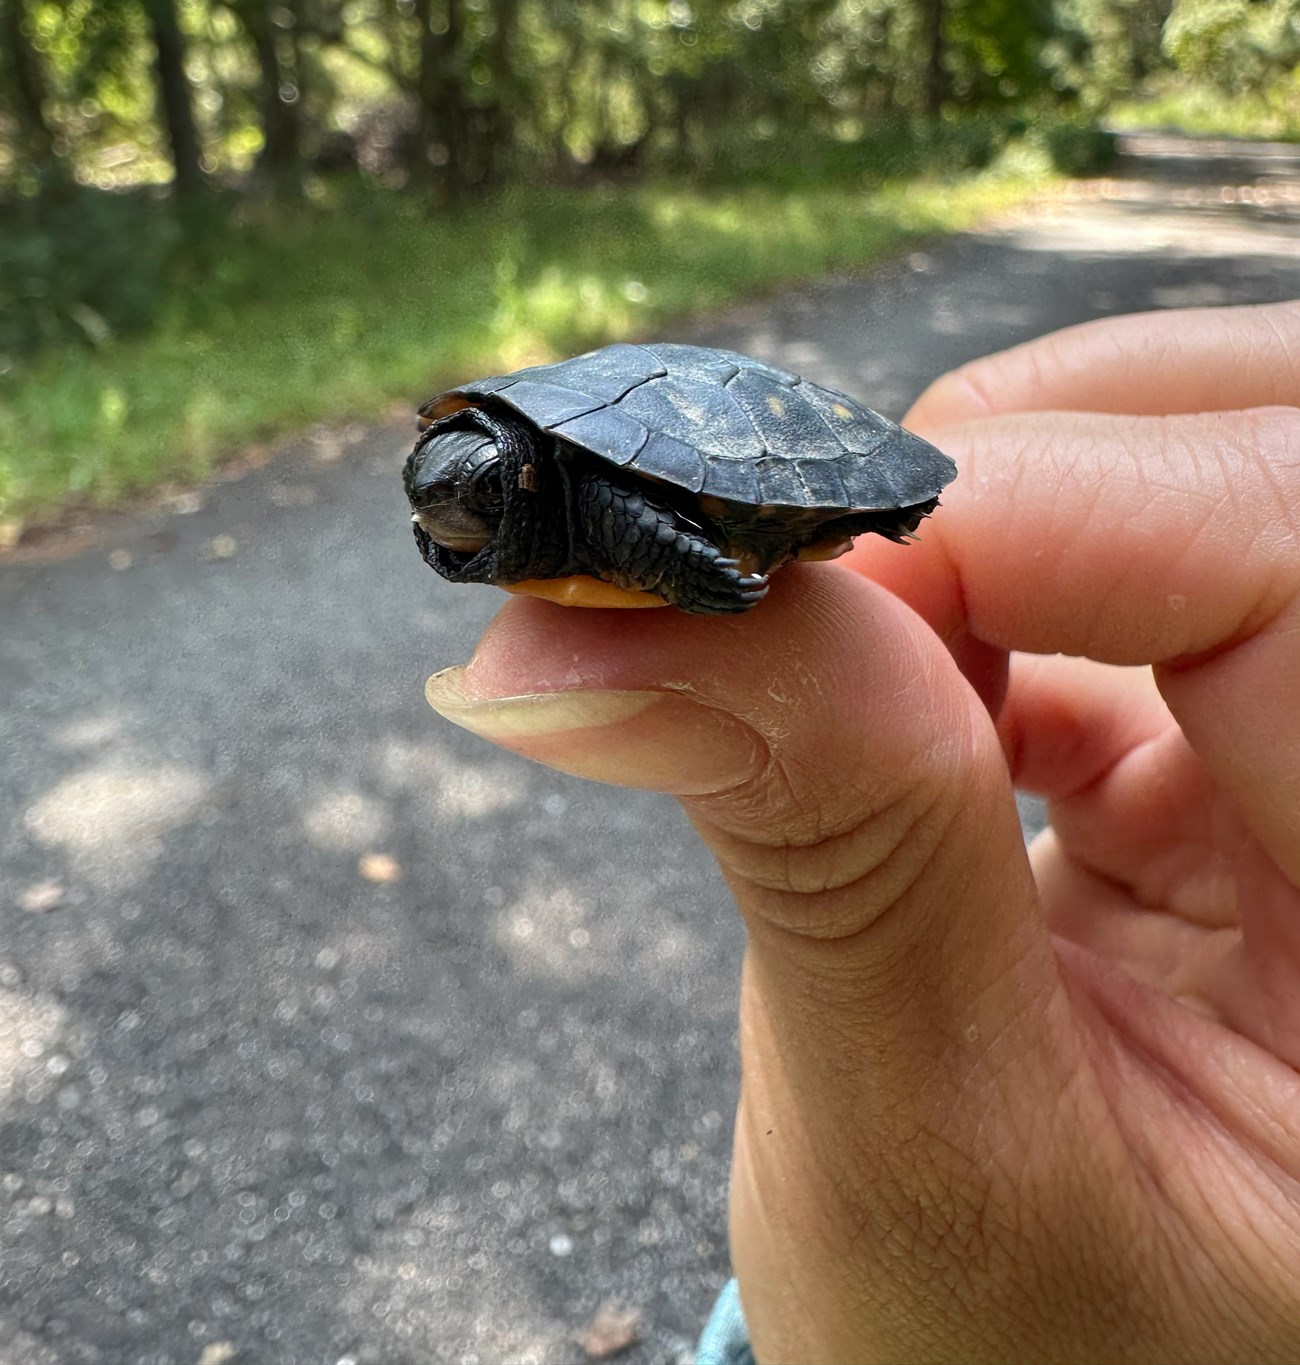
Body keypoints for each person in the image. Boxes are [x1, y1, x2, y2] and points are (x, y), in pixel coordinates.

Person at [425, 302, 1300, 1364]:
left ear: (517, 479)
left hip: (693, 489)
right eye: (435, 486)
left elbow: (627, 508)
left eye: (469, 487)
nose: (446, 502)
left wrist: (689, 568)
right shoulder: (490, 473)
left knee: (687, 525)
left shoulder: (583, 491)